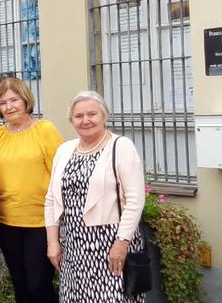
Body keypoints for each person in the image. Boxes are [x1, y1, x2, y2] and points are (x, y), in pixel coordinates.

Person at [45, 91, 146, 302]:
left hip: (111, 244)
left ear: (104, 116)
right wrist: (52, 242)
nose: (85, 120)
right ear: (71, 120)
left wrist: (122, 243)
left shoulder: (121, 146)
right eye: (78, 116)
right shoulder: (64, 150)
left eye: (92, 114)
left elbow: (135, 200)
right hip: (73, 246)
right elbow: (52, 199)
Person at [0, 77, 62, 303]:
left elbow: (60, 176)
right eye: (3, 103)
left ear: (25, 100)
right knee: (20, 286)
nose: (9, 107)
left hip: (41, 223)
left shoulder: (45, 130)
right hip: (7, 223)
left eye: (14, 100)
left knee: (38, 286)